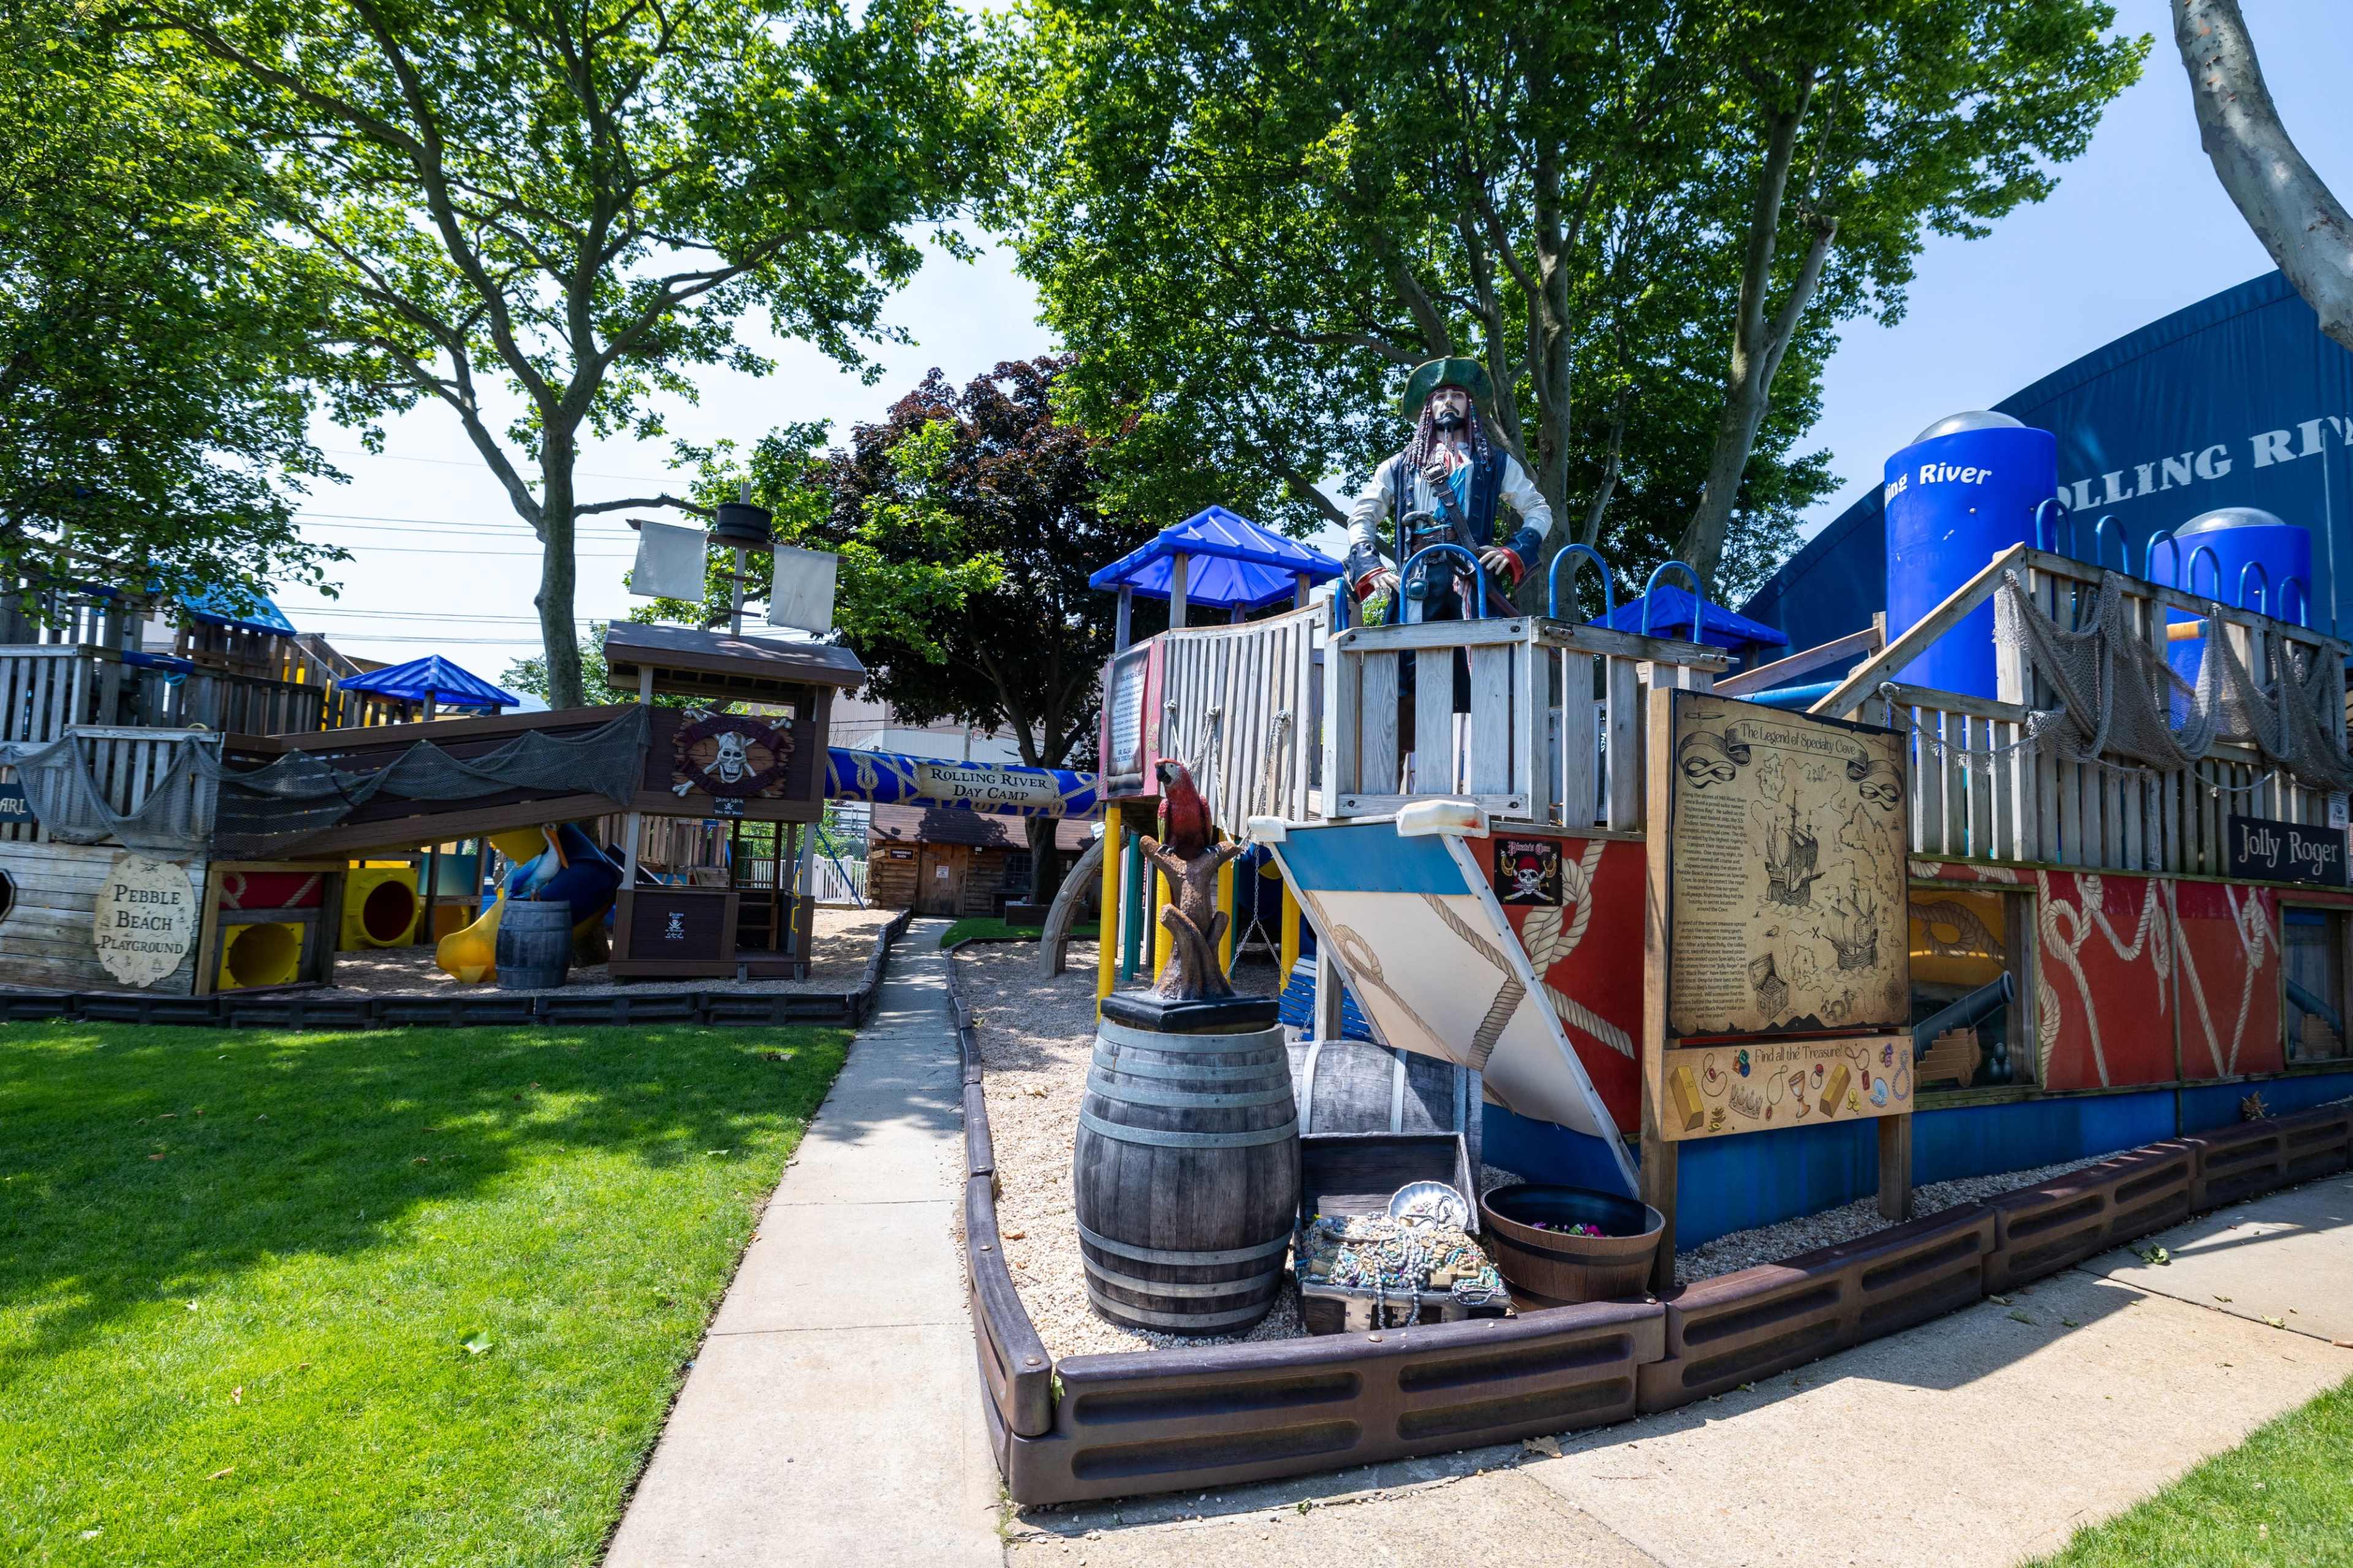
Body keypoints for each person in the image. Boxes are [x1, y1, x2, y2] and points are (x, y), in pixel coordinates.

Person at [1344, 357, 1554, 619]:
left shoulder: (1496, 463)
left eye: (1457, 395)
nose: (1449, 401)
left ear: (1469, 405)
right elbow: (1363, 516)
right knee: (1411, 656)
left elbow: (1538, 509)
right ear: (1429, 408)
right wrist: (1371, 565)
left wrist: (1514, 550)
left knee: (1481, 655)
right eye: (1440, 396)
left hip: (1473, 575)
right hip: (1418, 577)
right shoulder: (1398, 466)